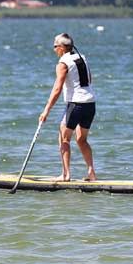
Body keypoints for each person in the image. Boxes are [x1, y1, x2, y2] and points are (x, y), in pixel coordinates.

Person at [38, 32, 97, 182]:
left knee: (63, 139)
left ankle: (65, 175)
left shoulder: (63, 63)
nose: (54, 50)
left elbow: (57, 89)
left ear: (62, 48)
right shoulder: (82, 57)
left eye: (55, 46)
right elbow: (90, 79)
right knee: (82, 139)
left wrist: (46, 110)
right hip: (90, 104)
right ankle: (91, 173)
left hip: (75, 105)